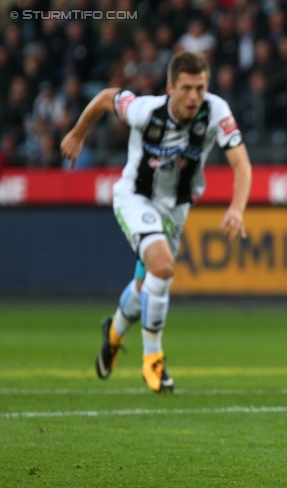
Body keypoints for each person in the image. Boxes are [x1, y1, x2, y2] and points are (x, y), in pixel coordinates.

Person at [60, 51, 253, 393]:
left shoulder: (216, 111)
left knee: (146, 286)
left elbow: (241, 164)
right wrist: (78, 133)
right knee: (162, 269)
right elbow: (107, 97)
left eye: (201, 88)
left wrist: (237, 208)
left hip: (177, 207)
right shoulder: (145, 110)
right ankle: (153, 362)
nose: (195, 96)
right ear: (170, 87)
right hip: (136, 198)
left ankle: (115, 331)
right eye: (187, 88)